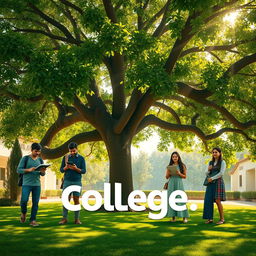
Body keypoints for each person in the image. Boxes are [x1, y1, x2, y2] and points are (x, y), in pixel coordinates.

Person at [17, 143, 47, 227]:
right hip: (26, 184)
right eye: (36, 151)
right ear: (32, 150)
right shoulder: (25, 158)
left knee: (35, 203)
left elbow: (42, 174)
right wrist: (29, 170)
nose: (37, 153)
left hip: (37, 185)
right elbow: (18, 170)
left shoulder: (40, 160)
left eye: (39, 151)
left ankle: (33, 220)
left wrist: (43, 172)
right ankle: (23, 213)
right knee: (24, 201)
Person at [59, 142, 86, 225]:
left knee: (76, 200)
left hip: (77, 181)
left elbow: (84, 171)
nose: (72, 153)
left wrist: (76, 168)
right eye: (70, 151)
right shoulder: (66, 157)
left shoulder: (81, 158)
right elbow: (61, 170)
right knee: (66, 200)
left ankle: (77, 219)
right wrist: (66, 167)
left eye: (74, 151)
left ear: (77, 149)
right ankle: (64, 219)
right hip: (67, 181)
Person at [203, 147, 226, 224]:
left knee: (217, 200)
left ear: (219, 153)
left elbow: (221, 173)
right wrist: (208, 170)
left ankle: (222, 219)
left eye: (216, 152)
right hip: (210, 183)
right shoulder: (210, 163)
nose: (214, 154)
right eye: (213, 152)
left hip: (218, 182)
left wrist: (212, 178)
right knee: (208, 200)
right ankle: (210, 219)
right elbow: (206, 173)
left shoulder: (223, 162)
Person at [165, 151, 189, 223]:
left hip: (179, 183)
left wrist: (179, 173)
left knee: (180, 198)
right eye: (173, 157)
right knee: (171, 199)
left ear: (178, 157)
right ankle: (173, 218)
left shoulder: (182, 166)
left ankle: (184, 218)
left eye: (176, 156)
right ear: (171, 158)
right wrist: (168, 172)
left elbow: (185, 176)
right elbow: (166, 177)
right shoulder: (169, 166)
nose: (174, 158)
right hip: (171, 183)